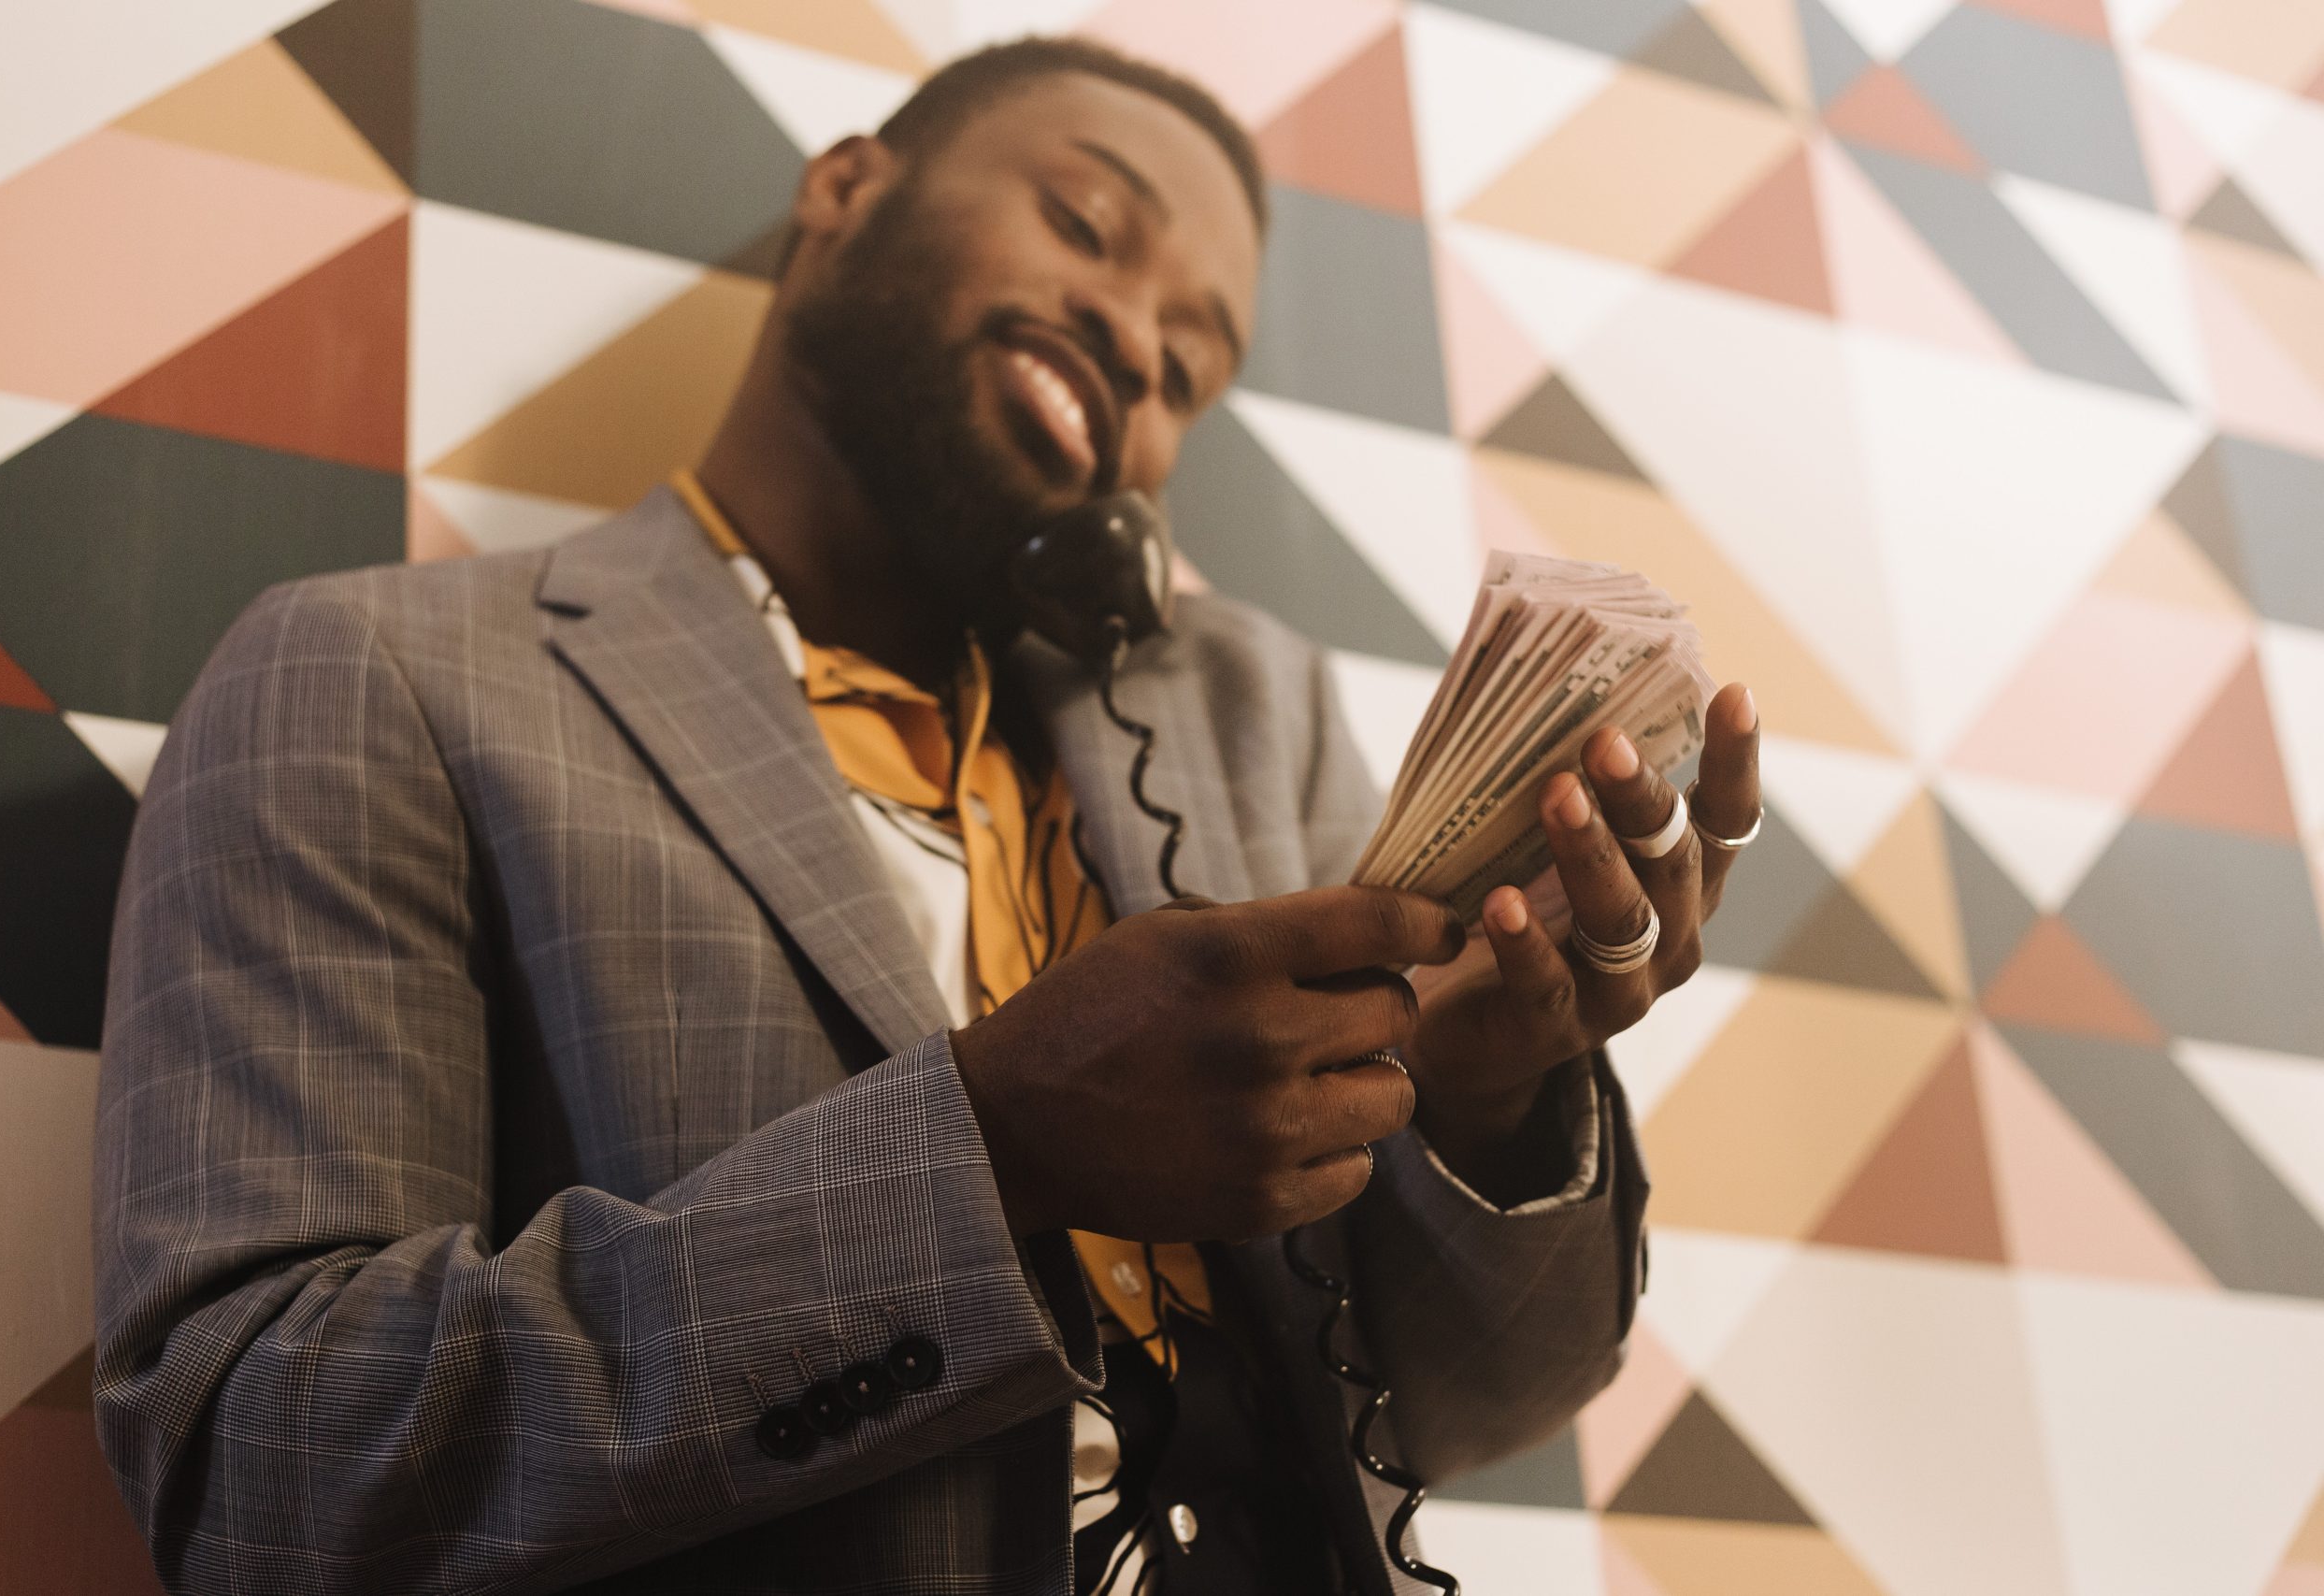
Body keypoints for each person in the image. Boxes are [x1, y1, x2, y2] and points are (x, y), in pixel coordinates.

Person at [92, 36, 1763, 1596]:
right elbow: (257, 1464)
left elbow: (1461, 1408)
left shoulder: (1246, 717)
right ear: (843, 189)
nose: (1134, 342)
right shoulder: (382, 674)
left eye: (1191, 364)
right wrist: (992, 1148)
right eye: (1086, 222)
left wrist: (1482, 1102)